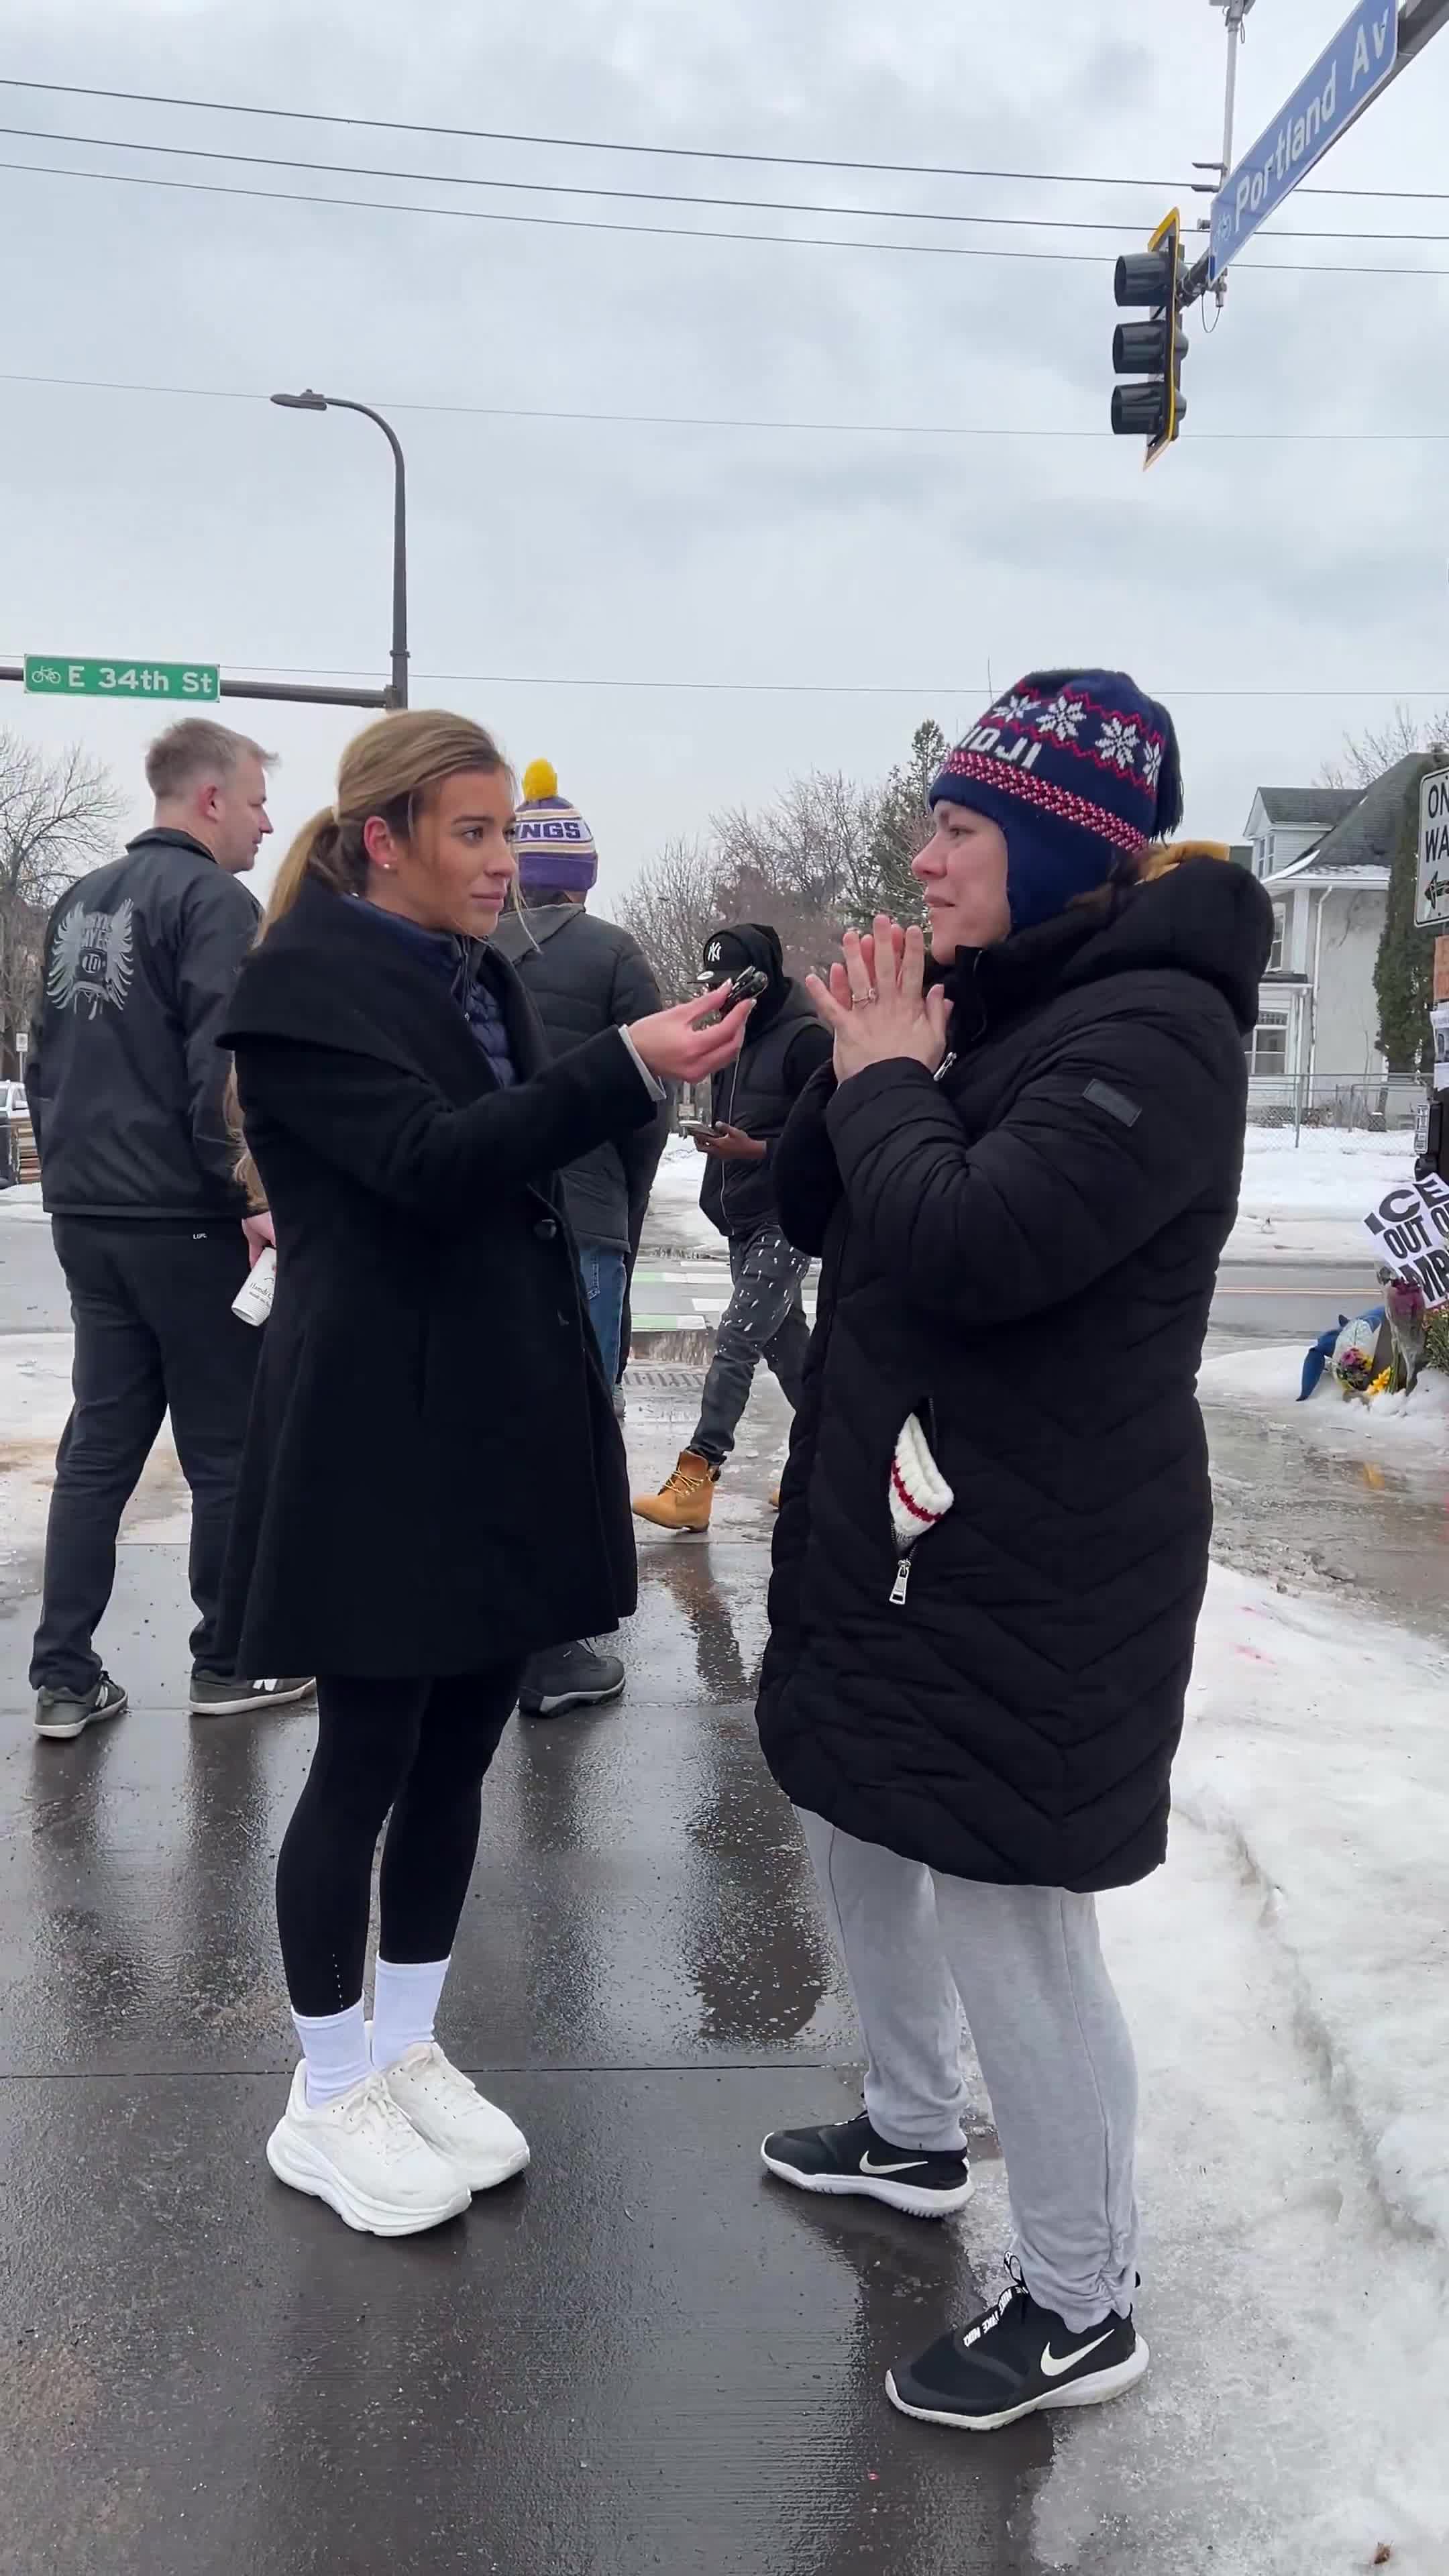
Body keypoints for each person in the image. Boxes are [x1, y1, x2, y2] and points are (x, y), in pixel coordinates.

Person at [753, 671, 1273, 2431]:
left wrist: (900, 1075)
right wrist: (856, 1051)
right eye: (938, 817)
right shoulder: (991, 1002)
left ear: (1065, 851)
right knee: (859, 1813)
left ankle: (1082, 2293)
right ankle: (910, 2134)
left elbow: (979, 1244)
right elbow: (807, 1208)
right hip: (902, 1513)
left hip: (1046, 1555)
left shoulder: (1154, 1036)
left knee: (1006, 1896)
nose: (926, 849)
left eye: (965, 824)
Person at [216, 710, 750, 2238]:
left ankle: (405, 2043)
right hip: (379, 1431)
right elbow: (434, 1161)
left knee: (460, 1748)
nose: (496, 863)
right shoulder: (299, 991)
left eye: (504, 835)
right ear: (381, 836)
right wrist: (621, 1064)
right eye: (469, 833)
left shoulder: (483, 976)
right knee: (366, 1757)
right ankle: (323, 2092)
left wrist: (621, 1068)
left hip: (491, 1413)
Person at [26, 716, 311, 1741]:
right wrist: (251, 1199)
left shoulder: (76, 902)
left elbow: (40, 1056)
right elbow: (221, 1072)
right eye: (256, 800)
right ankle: (228, 1663)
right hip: (187, 1219)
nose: (268, 822)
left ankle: (64, 1676)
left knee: (98, 1448)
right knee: (226, 1450)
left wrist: (65, 1172)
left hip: (87, 1213)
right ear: (209, 800)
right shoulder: (213, 904)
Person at [491, 757, 669, 1716]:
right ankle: (555, 1651)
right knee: (574, 1426)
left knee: (492, 1416)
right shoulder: (614, 956)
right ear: (587, 878)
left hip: (480, 1218)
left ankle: (483, 1622)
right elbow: (653, 1090)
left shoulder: (467, 950)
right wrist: (622, 1201)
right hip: (584, 1219)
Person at [633, 923, 831, 1533]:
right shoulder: (736, 1039)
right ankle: (830, 1465)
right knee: (787, 1347)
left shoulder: (806, 1041)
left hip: (787, 1215)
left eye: (728, 985)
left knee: (737, 1338)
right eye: (712, 986)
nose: (718, 996)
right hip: (741, 1217)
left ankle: (697, 1474)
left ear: (759, 982)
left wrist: (758, 1154)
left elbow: (827, 1138)